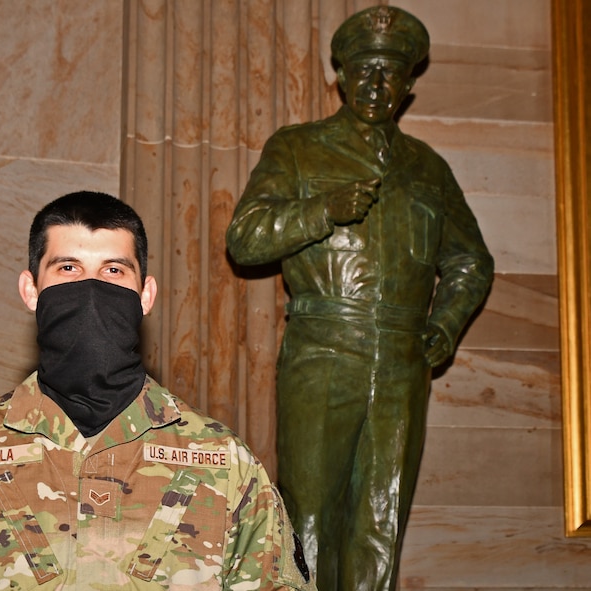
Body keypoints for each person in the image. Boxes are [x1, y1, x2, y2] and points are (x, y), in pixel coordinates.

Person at [0, 191, 314, 591]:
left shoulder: (226, 464)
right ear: (31, 290)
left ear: (145, 294)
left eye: (113, 270)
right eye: (68, 267)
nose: (91, 288)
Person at [225, 6, 493, 591]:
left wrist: (443, 327)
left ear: (407, 85)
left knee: (382, 518)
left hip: (401, 361)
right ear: (340, 78)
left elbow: (471, 261)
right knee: (311, 516)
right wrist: (323, 209)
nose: (376, 84)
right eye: (364, 70)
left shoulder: (427, 168)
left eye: (390, 73)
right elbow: (244, 239)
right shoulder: (298, 149)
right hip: (324, 348)